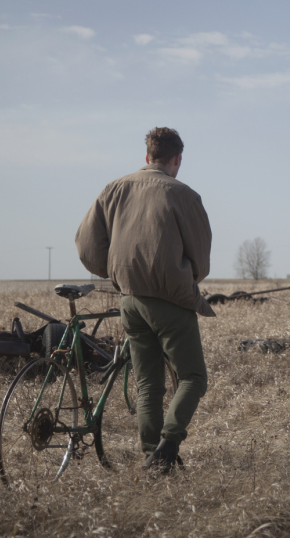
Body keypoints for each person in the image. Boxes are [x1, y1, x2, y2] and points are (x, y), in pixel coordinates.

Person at [75, 127, 215, 474]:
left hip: (130, 300)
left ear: (147, 156)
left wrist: (115, 272)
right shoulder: (184, 195)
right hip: (169, 300)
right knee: (193, 378)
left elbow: (86, 244)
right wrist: (185, 280)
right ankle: (168, 446)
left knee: (149, 383)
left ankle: (151, 455)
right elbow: (201, 256)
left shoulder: (114, 188)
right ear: (177, 159)